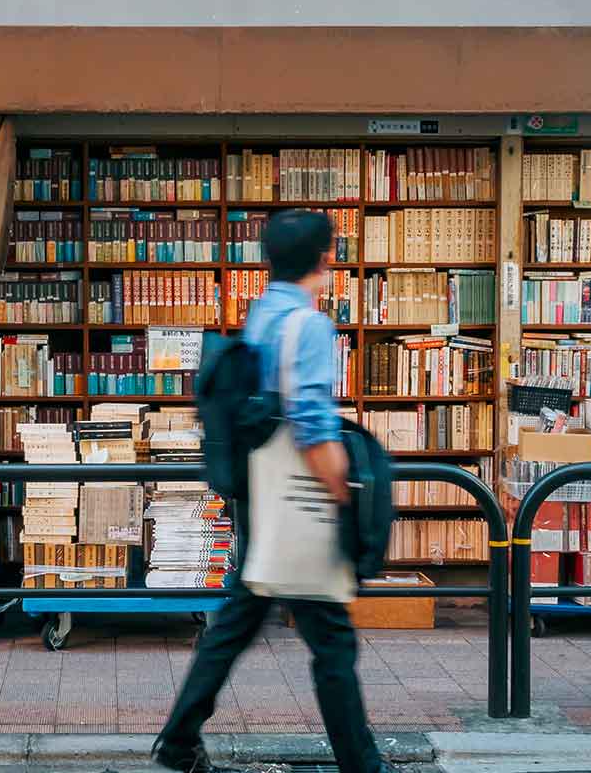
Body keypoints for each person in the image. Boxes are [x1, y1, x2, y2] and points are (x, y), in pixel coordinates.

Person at [157, 209, 387, 773]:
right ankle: (364, 766)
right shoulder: (307, 324)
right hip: (302, 501)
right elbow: (311, 424)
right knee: (331, 644)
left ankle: (179, 741)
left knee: (237, 622)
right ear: (327, 257)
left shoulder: (261, 315)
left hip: (261, 495)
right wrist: (343, 493)